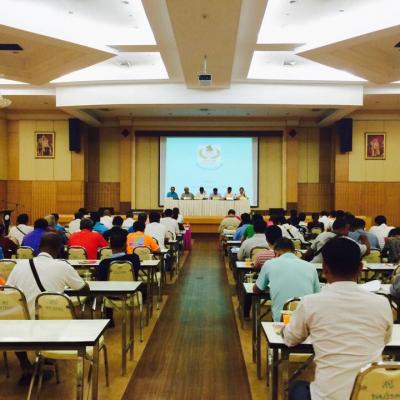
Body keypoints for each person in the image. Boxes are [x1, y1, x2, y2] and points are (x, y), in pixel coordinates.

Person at [283, 237, 393, 400]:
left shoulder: (310, 303)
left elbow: (290, 339)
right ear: (360, 268)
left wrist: (284, 330)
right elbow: (386, 339)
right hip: (371, 395)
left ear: (324, 268)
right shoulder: (382, 303)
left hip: (327, 396)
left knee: (297, 387)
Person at [7, 233, 88, 384]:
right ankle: (47, 357)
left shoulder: (20, 265)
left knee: (16, 318)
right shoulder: (62, 266)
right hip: (52, 324)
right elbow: (83, 289)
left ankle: (25, 365)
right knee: (59, 311)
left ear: (39, 247)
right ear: (59, 249)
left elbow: (8, 292)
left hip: (20, 326)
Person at [253, 238, 320, 321]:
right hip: (306, 320)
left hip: (282, 319)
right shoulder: (311, 267)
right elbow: (317, 294)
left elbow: (256, 290)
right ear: (295, 252)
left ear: (277, 253)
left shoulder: (269, 264)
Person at [96, 229, 141, 327]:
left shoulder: (104, 263)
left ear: (110, 246)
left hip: (109, 296)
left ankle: (108, 318)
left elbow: (100, 281)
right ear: (125, 244)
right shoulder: (134, 258)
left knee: (106, 286)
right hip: (130, 293)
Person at [303, 218, 369, 263]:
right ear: (346, 228)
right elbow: (366, 251)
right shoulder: (347, 241)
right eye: (348, 229)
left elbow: (309, 253)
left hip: (316, 266)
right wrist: (365, 239)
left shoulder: (321, 235)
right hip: (335, 271)